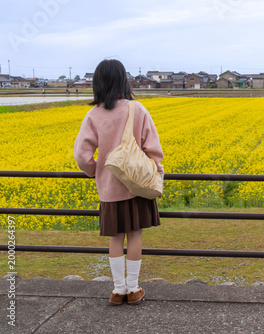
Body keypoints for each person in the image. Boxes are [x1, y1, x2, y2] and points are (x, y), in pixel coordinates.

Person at [74, 59, 164, 306]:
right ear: (124, 80)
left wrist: (96, 171)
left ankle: (117, 291)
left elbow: (82, 155)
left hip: (109, 189)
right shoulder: (138, 110)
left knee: (115, 238)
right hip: (138, 187)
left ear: (98, 84)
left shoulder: (93, 115)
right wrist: (157, 173)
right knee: (135, 235)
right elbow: (153, 149)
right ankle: (133, 290)